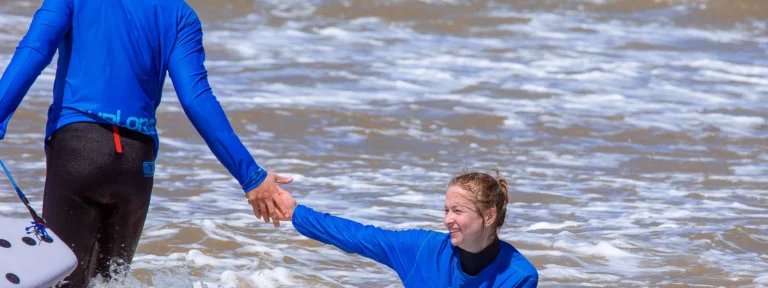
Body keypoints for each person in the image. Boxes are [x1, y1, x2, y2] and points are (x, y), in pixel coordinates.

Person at [0, 0, 292, 286]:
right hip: (136, 163)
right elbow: (197, 98)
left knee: (63, 279)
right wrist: (250, 176)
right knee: (112, 281)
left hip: (79, 151)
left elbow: (33, 52)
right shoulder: (179, 13)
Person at [277, 170, 538, 287]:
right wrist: (295, 212)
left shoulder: (518, 276)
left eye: (458, 211)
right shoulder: (421, 249)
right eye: (446, 210)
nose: (447, 220)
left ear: (489, 215)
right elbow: (357, 236)